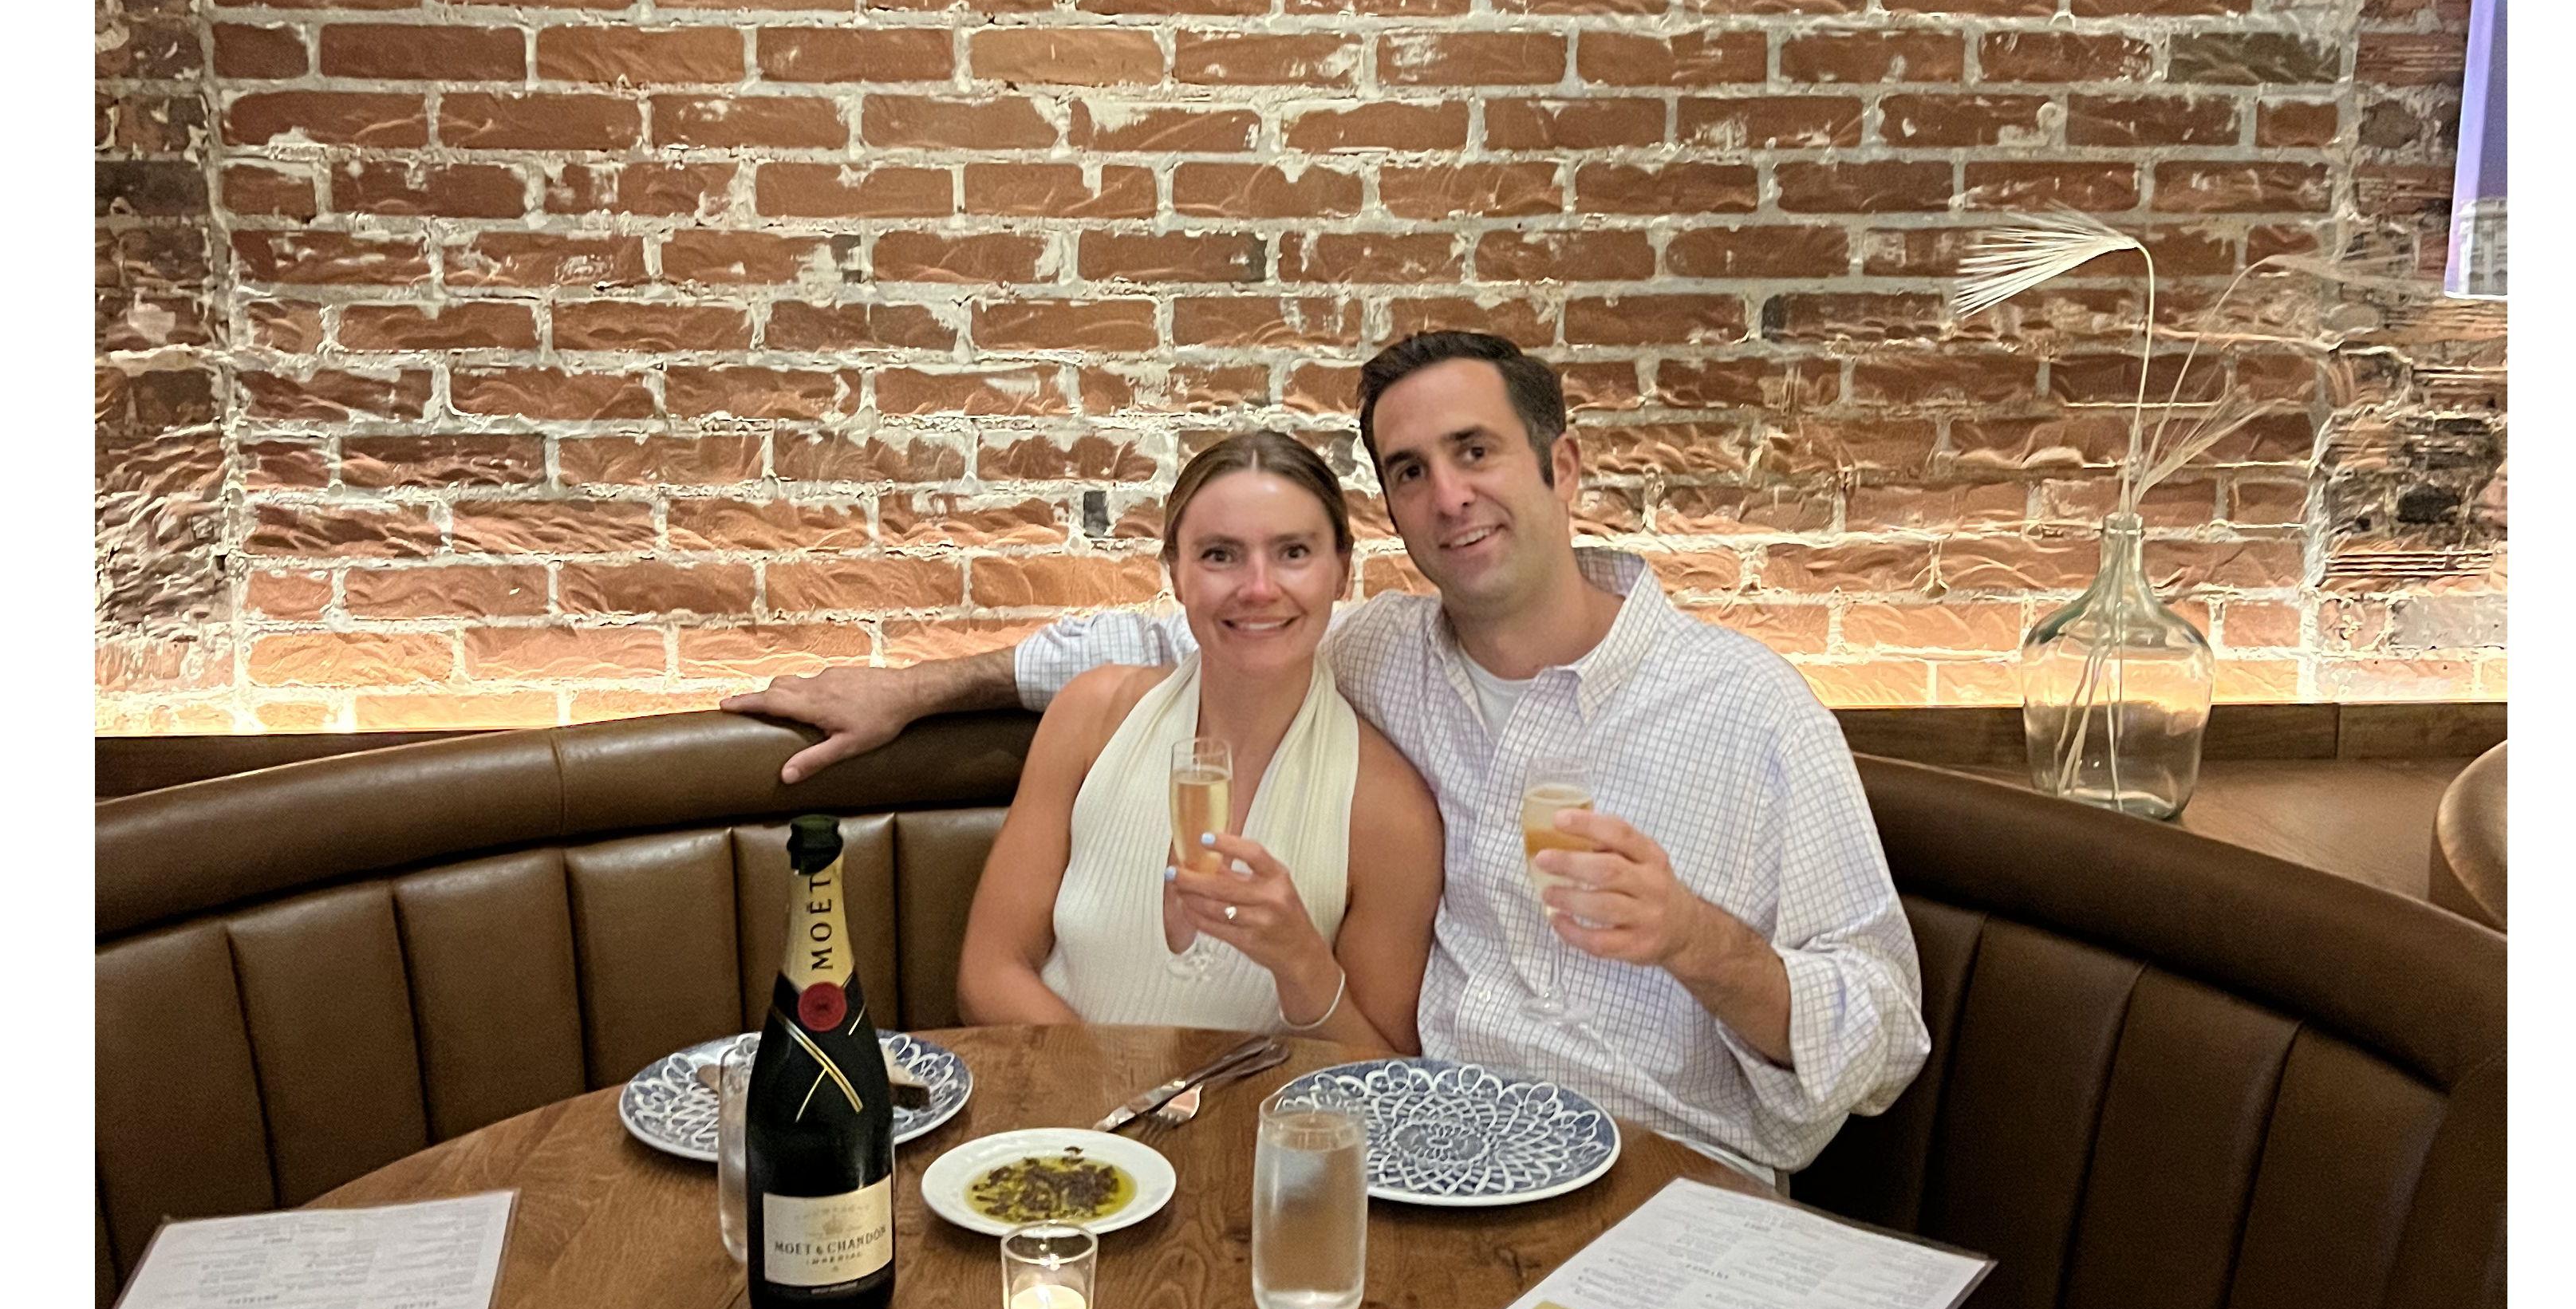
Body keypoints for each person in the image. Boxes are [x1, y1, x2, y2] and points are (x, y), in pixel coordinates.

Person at [731, 335, 1926, 1181]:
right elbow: (1192, 634)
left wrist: (1697, 938)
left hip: (1663, 1177)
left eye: (1476, 451)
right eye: (1410, 471)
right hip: (1428, 1158)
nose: (1449, 496)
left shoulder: (1750, 711)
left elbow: (1885, 1038)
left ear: (1563, 467)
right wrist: (916, 686)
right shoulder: (1385, 651)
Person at [955, 428, 1441, 1049]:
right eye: (1220, 555)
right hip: (1065, 1103)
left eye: (1293, 552)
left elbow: (1385, 1072)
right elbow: (988, 973)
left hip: (1256, 1115)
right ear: (1177, 575)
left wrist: (1302, 963)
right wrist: (1120, 1091)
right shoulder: (1092, 716)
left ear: (1341, 572)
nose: (1258, 588)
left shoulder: (1390, 811)